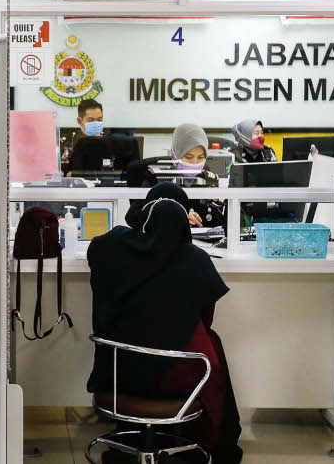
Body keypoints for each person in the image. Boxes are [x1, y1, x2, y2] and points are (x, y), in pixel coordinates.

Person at [87, 183, 243, 464]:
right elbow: (206, 319)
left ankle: (134, 436)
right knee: (210, 344)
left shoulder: (109, 249)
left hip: (119, 374)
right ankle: (213, 444)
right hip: (180, 380)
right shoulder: (196, 260)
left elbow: (101, 246)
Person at [168, 123, 225, 227]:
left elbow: (219, 221)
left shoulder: (209, 180)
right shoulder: (160, 179)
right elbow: (135, 215)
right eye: (189, 157)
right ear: (176, 154)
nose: (195, 162)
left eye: (200, 157)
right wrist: (179, 216)